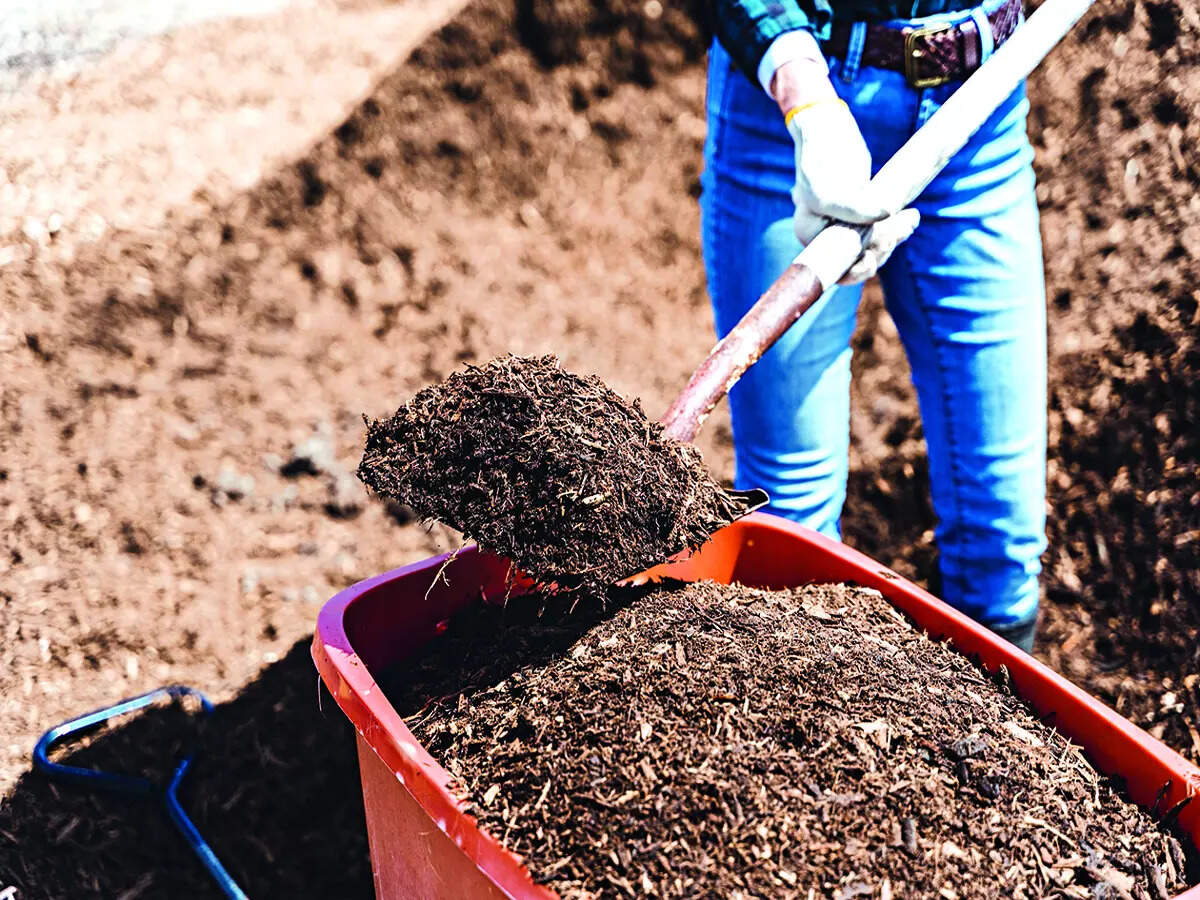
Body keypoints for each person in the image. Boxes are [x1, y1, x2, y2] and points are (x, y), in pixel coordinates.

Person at [704, 0, 1045, 651]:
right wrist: (805, 98)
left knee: (1003, 539)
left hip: (982, 107)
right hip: (797, 106)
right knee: (793, 535)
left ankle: (986, 745)